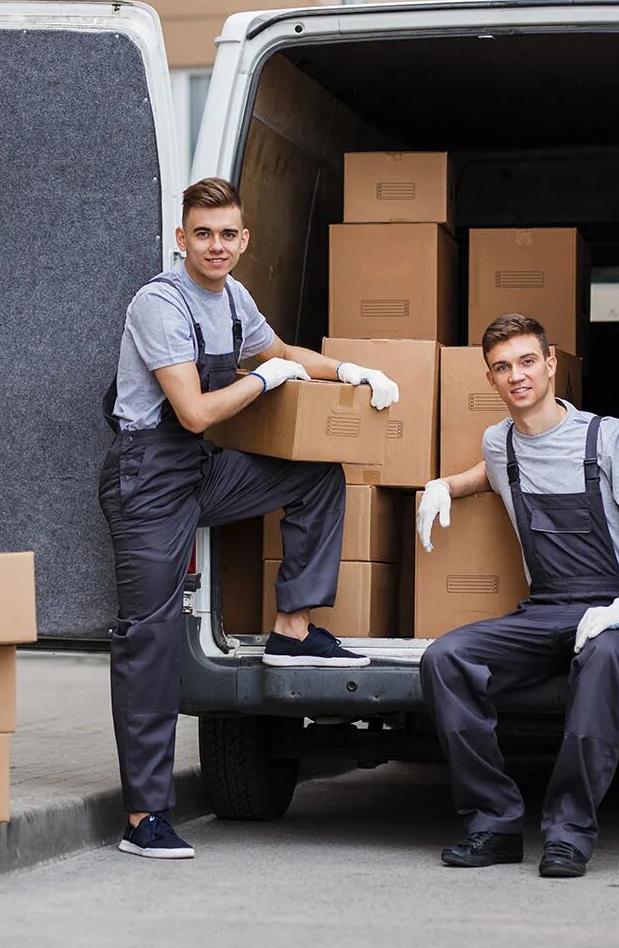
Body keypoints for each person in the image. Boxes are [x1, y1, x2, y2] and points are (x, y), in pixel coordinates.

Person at [99, 177, 400, 860]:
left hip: (201, 469)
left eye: (228, 233)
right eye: (202, 233)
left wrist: (351, 372)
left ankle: (292, 629)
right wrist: (264, 382)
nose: (216, 245)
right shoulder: (161, 302)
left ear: (244, 239)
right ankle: (144, 817)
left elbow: (284, 355)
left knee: (317, 474)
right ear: (182, 239)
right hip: (147, 476)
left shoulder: (234, 298)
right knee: (148, 641)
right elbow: (194, 412)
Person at [416, 313, 619, 878]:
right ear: (491, 380)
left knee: (603, 660)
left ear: (552, 363)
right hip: (546, 608)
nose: (517, 376)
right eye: (502, 367)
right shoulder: (499, 443)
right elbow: (488, 472)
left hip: (616, 608)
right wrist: (445, 485)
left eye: (527, 361)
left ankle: (568, 832)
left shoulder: (606, 437)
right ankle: (493, 824)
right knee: (445, 658)